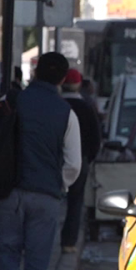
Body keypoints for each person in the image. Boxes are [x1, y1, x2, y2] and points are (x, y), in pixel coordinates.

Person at [0, 52, 82, 270]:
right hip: (47, 197)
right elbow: (74, 165)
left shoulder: (14, 101)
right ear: (60, 79)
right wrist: (60, 186)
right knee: (38, 266)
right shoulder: (66, 113)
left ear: (35, 73)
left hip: (11, 193)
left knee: (4, 254)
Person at [60, 68, 102, 252]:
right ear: (78, 84)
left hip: (54, 160)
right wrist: (88, 158)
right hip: (80, 161)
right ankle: (68, 243)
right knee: (75, 202)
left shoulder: (57, 106)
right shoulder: (86, 107)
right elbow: (96, 137)